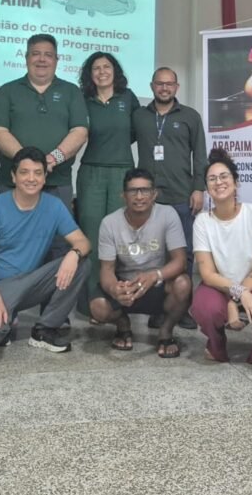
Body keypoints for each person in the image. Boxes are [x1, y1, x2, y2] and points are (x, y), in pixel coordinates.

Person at [0, 147, 91, 353]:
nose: (31, 179)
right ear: (13, 176)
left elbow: (83, 242)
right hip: (0, 285)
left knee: (82, 263)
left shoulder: (54, 206)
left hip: (33, 282)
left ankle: (45, 330)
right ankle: (7, 318)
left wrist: (74, 254)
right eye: (24, 172)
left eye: (37, 173)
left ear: (44, 178)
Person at [190, 148, 252, 367]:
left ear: (236, 182)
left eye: (224, 176)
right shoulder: (202, 222)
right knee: (205, 307)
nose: (218, 182)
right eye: (212, 179)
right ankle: (215, 345)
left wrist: (236, 299)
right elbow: (208, 274)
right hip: (219, 284)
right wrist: (238, 293)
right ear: (207, 188)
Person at [133, 66, 206, 330]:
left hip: (180, 195)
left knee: (183, 254)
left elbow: (200, 155)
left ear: (176, 87)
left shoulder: (190, 116)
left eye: (169, 84)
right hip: (147, 199)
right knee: (153, 255)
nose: (164, 88)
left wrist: (198, 188)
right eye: (159, 83)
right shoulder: (139, 117)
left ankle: (181, 308)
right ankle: (158, 309)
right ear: (152, 86)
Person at [90, 169, 192, 358]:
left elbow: (180, 261)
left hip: (157, 284)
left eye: (145, 190)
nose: (139, 196)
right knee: (98, 307)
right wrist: (115, 289)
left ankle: (166, 331)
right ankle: (123, 326)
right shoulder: (109, 223)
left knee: (183, 284)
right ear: (123, 195)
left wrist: (155, 275)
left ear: (154, 194)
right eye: (133, 191)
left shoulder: (167, 214)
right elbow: (106, 269)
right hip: (126, 285)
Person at [0, 34, 88, 210]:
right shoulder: (7, 90)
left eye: (48, 55)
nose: (42, 59)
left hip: (57, 185)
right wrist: (28, 164)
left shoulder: (72, 91)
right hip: (12, 184)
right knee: (8, 228)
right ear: (26, 58)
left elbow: (79, 132)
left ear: (56, 60)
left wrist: (52, 159)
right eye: (35, 53)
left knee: (56, 229)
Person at [76, 52, 140, 308]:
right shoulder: (83, 99)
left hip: (122, 172)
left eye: (106, 67)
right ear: (89, 74)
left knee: (118, 235)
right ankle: (90, 301)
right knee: (91, 234)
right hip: (91, 172)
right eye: (96, 68)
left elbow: (135, 132)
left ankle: (116, 300)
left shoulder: (128, 97)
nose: (102, 72)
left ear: (115, 71)